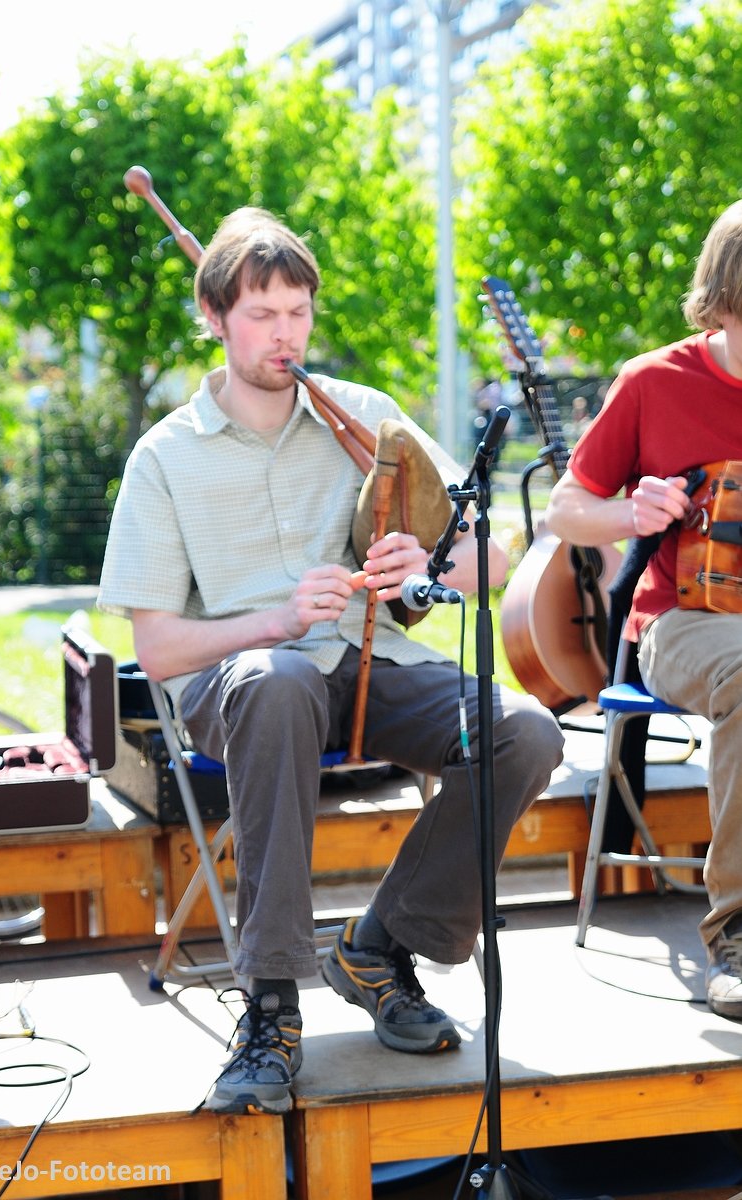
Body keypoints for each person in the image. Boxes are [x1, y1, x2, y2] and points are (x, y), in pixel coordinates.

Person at [98, 206, 564, 1113]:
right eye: (261, 313)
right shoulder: (163, 458)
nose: (284, 334)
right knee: (280, 685)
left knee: (523, 730)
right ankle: (270, 1006)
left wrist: (421, 564)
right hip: (241, 682)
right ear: (216, 317)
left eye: (297, 312)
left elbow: (491, 561)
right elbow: (155, 648)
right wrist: (272, 619)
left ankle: (378, 945)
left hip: (368, 661)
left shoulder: (367, 419)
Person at [545, 199, 742, 1023]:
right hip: (684, 624)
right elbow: (564, 511)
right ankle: (736, 934)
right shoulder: (654, 381)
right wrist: (631, 512)